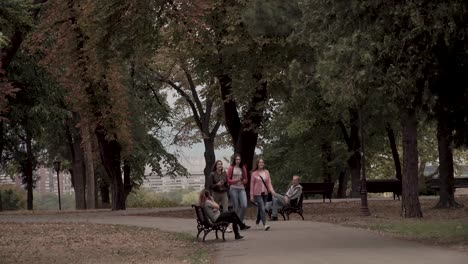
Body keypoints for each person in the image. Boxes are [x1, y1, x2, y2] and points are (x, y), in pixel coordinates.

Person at [250, 158, 275, 231]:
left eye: (262, 162)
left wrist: (272, 190)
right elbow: (252, 185)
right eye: (260, 162)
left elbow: (269, 183)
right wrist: (251, 196)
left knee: (261, 208)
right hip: (257, 194)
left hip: (266, 193)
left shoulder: (266, 172)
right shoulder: (254, 173)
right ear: (257, 164)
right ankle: (265, 224)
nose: (261, 163)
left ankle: (257, 222)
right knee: (262, 208)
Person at [227, 154, 248, 224]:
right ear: (234, 160)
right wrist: (236, 180)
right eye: (237, 159)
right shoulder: (231, 168)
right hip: (233, 189)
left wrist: (242, 181)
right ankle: (235, 224)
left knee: (244, 205)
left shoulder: (243, 168)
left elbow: (246, 180)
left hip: (241, 188)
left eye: (239, 159)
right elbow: (228, 180)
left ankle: (240, 221)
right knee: (236, 207)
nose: (238, 161)